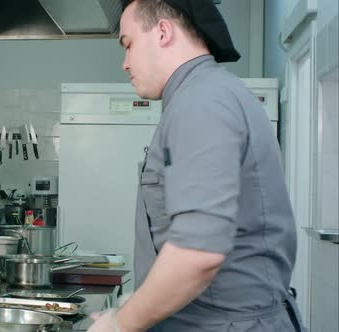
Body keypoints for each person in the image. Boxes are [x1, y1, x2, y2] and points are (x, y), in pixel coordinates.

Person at [88, 1, 307, 331]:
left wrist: (120, 325)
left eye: (128, 45)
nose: (125, 63)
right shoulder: (207, 93)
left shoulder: (200, 101)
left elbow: (197, 253)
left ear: (163, 32)